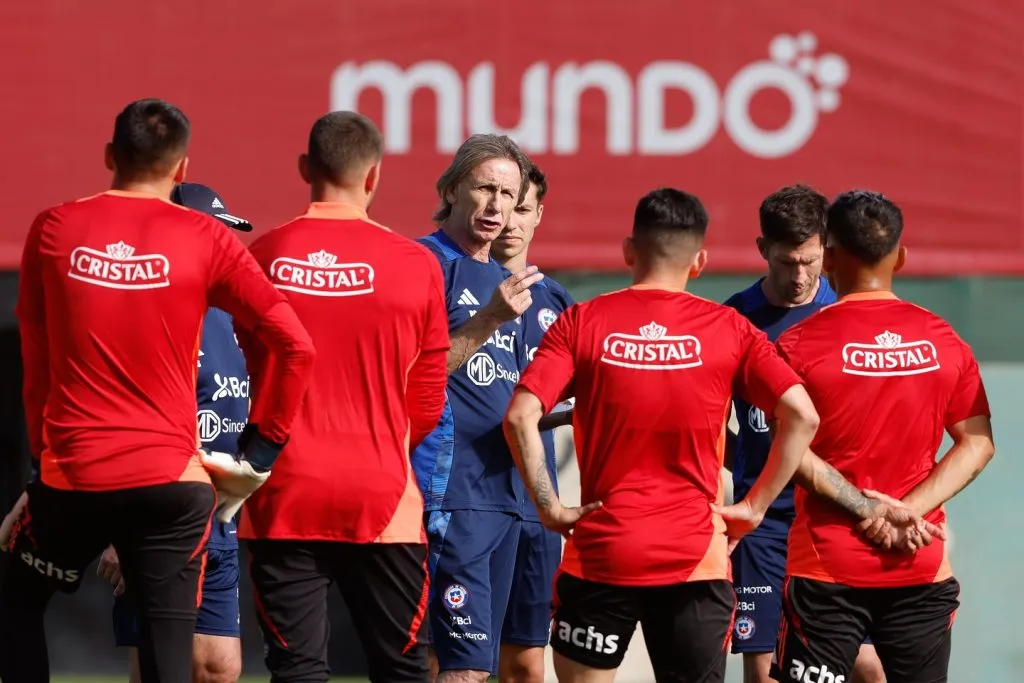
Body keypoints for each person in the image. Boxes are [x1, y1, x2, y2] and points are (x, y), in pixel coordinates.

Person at [0, 98, 315, 683]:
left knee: (16, 603)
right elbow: (296, 346)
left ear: (109, 156)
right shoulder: (207, 237)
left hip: (75, 477)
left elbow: (37, 362)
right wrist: (262, 452)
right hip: (171, 487)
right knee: (168, 650)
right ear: (181, 168)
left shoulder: (54, 227)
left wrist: (42, 467)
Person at [502, 187, 822, 683]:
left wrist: (549, 507)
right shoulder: (730, 328)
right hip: (695, 558)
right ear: (699, 262)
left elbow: (520, 415)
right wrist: (755, 507)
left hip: (603, 552)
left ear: (629, 251)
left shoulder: (582, 322)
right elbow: (802, 416)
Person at [241, 111, 450, 683]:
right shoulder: (416, 264)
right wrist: (381, 444)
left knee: (297, 670)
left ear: (304, 168)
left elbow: (252, 363)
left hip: (283, 493)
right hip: (381, 496)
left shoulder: (262, 255)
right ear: (374, 175)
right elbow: (427, 397)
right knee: (402, 670)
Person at [773, 190, 995, 683]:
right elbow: (978, 443)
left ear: (829, 258)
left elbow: (788, 449)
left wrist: (868, 509)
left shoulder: (796, 345)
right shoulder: (944, 339)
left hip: (826, 569)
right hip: (918, 557)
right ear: (901, 257)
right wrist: (908, 511)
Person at [724, 185, 885, 683]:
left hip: (835, 518)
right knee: (765, 672)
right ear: (762, 249)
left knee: (869, 668)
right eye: (787, 262)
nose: (799, 276)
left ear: (827, 250)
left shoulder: (847, 314)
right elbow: (708, 419)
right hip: (764, 525)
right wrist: (747, 464)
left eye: (810, 262)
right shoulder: (734, 319)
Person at [98, 183, 254, 683]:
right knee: (160, 667)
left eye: (227, 235)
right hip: (158, 514)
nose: (225, 247)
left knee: (218, 667)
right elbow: (122, 424)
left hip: (219, 514)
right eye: (212, 234)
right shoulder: (146, 312)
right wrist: (122, 531)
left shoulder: (232, 314)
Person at [411, 133, 541, 683]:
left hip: (505, 495)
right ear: (450, 190)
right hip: (450, 493)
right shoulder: (422, 262)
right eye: (485, 188)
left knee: (479, 668)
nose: (495, 205)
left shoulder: (506, 281)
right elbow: (413, 374)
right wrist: (488, 319)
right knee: (457, 668)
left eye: (508, 194)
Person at [490, 164, 574, 683]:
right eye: (504, 206)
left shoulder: (559, 303)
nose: (511, 220)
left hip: (537, 504)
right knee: (450, 658)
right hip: (468, 497)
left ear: (539, 214)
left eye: (523, 208)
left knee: (525, 661)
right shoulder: (456, 284)